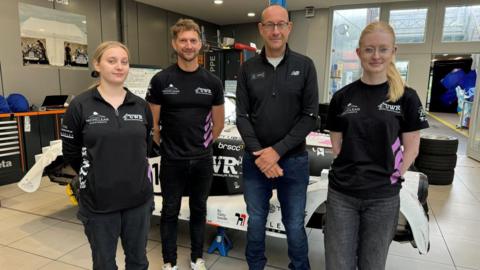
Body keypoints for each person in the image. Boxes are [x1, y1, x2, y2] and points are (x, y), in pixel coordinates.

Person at [325, 21, 429, 270]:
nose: (376, 56)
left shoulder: (407, 97)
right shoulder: (342, 97)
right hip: (342, 195)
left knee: (373, 264)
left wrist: (395, 175)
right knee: (338, 264)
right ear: (359, 53)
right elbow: (337, 145)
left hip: (383, 197)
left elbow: (412, 148)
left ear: (394, 52)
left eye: (383, 49)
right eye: (369, 49)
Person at [236, 5, 318, 270]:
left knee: (294, 223)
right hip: (255, 161)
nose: (275, 30)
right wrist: (261, 153)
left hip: (293, 162)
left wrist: (276, 152)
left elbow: (309, 116)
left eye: (281, 24)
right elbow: (242, 116)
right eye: (269, 25)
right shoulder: (247, 69)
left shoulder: (305, 66)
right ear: (261, 28)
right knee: (256, 220)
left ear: (289, 28)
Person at [61, 41, 154, 270]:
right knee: (104, 264)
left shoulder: (140, 106)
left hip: (137, 200)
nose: (119, 67)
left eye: (124, 61)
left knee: (138, 261)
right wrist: (96, 175)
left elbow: (147, 147)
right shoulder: (80, 105)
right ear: (97, 64)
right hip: (98, 202)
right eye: (111, 61)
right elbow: (71, 151)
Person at [146, 18, 225, 270]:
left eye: (193, 40)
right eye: (183, 40)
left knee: (198, 210)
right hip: (172, 160)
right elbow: (153, 126)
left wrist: (201, 147)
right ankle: (169, 262)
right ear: (174, 43)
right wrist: (169, 147)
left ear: (200, 44)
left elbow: (219, 124)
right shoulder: (161, 80)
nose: (188, 45)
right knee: (170, 211)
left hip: (202, 160)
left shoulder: (212, 82)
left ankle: (196, 258)